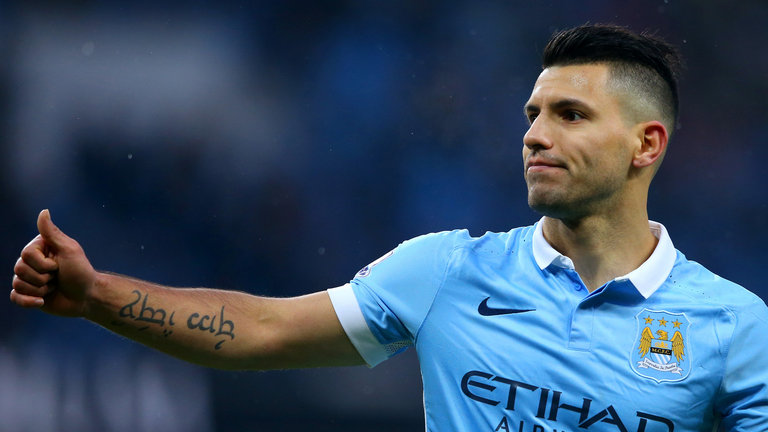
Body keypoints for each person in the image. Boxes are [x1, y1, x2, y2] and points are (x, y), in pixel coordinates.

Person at [10, 24, 768, 431]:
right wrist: (98, 295)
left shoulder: (733, 326)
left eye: (571, 115)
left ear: (646, 145)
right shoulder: (446, 271)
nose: (536, 135)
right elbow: (262, 330)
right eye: (532, 114)